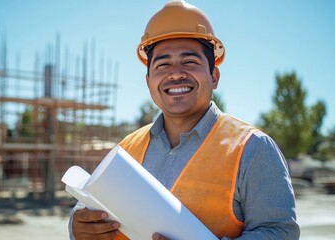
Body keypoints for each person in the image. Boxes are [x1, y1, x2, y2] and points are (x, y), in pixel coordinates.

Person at [69, 1, 300, 239]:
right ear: (149, 81)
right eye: (163, 64)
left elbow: (280, 232)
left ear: (214, 76)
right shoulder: (127, 148)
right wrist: (78, 228)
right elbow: (91, 203)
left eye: (190, 62)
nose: (176, 73)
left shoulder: (252, 148)